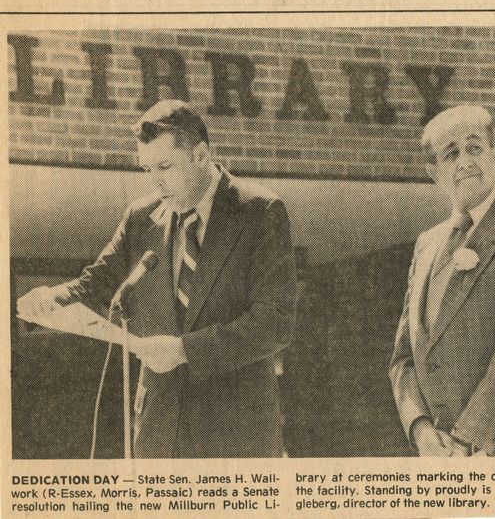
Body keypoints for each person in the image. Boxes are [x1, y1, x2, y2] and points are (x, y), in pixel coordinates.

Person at [17, 100, 297, 458]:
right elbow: (97, 284)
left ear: (200, 155)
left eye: (165, 167)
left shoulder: (259, 211)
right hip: (158, 432)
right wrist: (50, 297)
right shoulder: (139, 218)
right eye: (148, 169)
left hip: (235, 432)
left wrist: (183, 350)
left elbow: (275, 322)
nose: (156, 182)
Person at [389, 105, 495, 457]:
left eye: (474, 148)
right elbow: (403, 358)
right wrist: (421, 430)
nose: (464, 162)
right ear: (434, 173)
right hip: (444, 460)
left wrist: (466, 438)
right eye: (451, 154)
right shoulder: (426, 245)